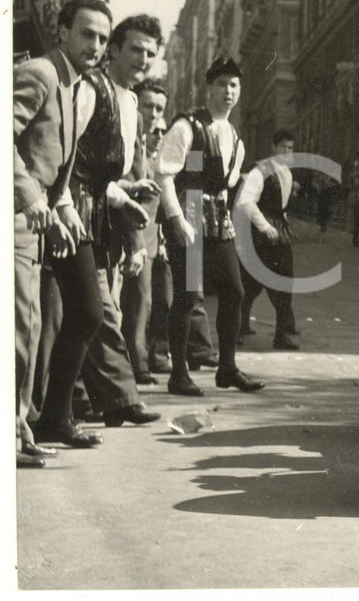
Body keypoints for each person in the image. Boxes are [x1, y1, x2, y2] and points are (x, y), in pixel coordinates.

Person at [35, 13, 164, 443]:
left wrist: (124, 193)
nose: (142, 59)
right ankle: (68, 409)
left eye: (149, 53)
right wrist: (102, 198)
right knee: (84, 312)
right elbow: (68, 159)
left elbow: (107, 171)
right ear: (115, 50)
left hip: (97, 215)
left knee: (93, 311)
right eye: (134, 50)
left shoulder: (129, 102)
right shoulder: (91, 91)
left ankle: (88, 403)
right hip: (69, 212)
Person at [13, 0, 111, 464]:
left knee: (27, 326)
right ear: (62, 31)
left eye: (102, 38)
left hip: (41, 218)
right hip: (15, 215)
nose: (95, 45)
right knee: (17, 328)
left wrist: (62, 203)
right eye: (87, 34)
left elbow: (54, 159)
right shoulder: (41, 73)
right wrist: (32, 196)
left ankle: (26, 428)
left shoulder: (75, 86)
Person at [155, 56, 263, 395]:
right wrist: (175, 217)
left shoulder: (235, 136)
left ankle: (227, 369)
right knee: (187, 296)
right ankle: (179, 375)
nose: (228, 91)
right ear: (209, 88)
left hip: (217, 218)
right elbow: (164, 173)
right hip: (188, 214)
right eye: (222, 84)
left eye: (234, 85)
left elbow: (226, 183)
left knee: (234, 290)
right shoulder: (188, 126)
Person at [120, 80, 168, 384]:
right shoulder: (130, 142)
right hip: (130, 236)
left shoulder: (151, 153)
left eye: (159, 108)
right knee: (136, 305)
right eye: (148, 105)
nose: (153, 114)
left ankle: (137, 363)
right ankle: (136, 366)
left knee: (143, 304)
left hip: (148, 240)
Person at [237, 130, 299, 350]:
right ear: (274, 148)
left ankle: (281, 334)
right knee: (249, 284)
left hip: (279, 232)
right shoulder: (261, 170)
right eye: (283, 147)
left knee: (284, 282)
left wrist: (283, 225)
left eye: (291, 148)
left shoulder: (287, 173)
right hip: (260, 234)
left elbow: (281, 205)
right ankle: (239, 328)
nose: (287, 152)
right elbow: (246, 201)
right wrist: (264, 226)